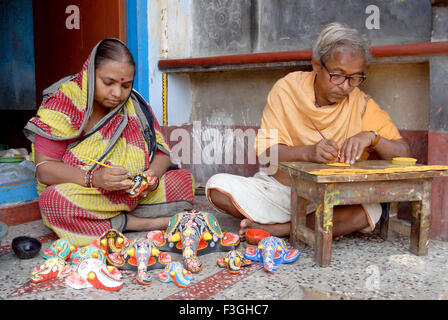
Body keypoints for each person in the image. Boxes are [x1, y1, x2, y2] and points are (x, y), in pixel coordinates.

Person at [206, 22, 412, 240]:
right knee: (217, 187)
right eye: (338, 75)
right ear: (316, 65)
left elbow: (404, 154)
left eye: (354, 78)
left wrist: (373, 138)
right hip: (283, 191)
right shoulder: (288, 89)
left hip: (334, 198)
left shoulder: (361, 104)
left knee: (371, 210)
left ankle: (280, 229)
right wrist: (309, 153)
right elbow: (267, 155)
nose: (345, 86)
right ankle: (307, 225)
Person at [24, 39, 194, 246]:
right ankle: (138, 223)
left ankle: (107, 219)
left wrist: (151, 177)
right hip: (87, 192)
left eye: (126, 85)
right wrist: (95, 178)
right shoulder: (63, 103)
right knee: (54, 202)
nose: (117, 93)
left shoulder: (135, 104)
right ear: (89, 74)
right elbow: (44, 169)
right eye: (108, 83)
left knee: (183, 181)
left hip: (132, 193)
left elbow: (162, 153)